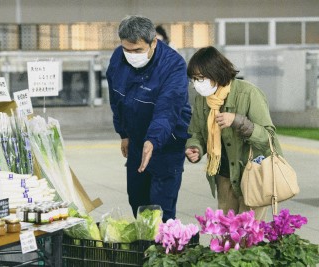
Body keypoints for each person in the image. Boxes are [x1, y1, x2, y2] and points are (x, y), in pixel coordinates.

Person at [106, 15, 192, 222]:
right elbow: (116, 99)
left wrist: (153, 140)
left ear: (154, 42)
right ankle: (144, 249)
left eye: (137, 50)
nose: (131, 55)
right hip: (137, 142)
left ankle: (163, 251)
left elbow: (167, 109)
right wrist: (123, 134)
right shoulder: (119, 58)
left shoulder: (174, 65)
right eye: (127, 49)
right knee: (137, 200)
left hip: (167, 144)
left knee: (160, 209)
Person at [185, 46, 283, 220]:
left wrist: (238, 121)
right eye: (194, 79)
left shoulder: (248, 93)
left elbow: (268, 138)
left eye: (201, 78)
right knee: (226, 236)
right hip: (224, 175)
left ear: (217, 73)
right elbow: (197, 133)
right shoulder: (202, 100)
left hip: (253, 174)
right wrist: (195, 148)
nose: (197, 84)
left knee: (248, 236)